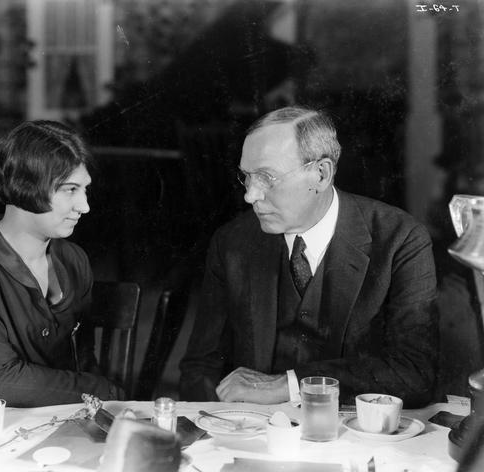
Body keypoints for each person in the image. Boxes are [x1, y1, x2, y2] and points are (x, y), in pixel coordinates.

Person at [179, 106, 438, 408]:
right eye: (246, 177)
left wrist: (290, 385)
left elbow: (415, 372)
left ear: (321, 173)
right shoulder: (232, 242)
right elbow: (200, 367)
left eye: (266, 177)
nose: (251, 195)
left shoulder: (400, 240)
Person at [0, 120, 124, 407]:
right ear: (26, 186)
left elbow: (80, 363)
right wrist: (104, 391)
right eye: (70, 190)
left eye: (85, 190)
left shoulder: (74, 260)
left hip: (57, 425)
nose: (85, 206)